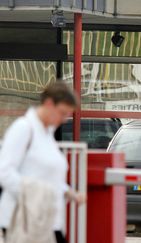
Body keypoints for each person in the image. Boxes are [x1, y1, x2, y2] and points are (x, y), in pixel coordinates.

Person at [0, 81, 85, 243]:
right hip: (26, 220)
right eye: (62, 113)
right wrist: (36, 197)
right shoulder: (24, 128)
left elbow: (45, 176)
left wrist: (69, 192)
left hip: (45, 219)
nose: (64, 119)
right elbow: (4, 171)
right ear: (48, 104)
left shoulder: (46, 134)